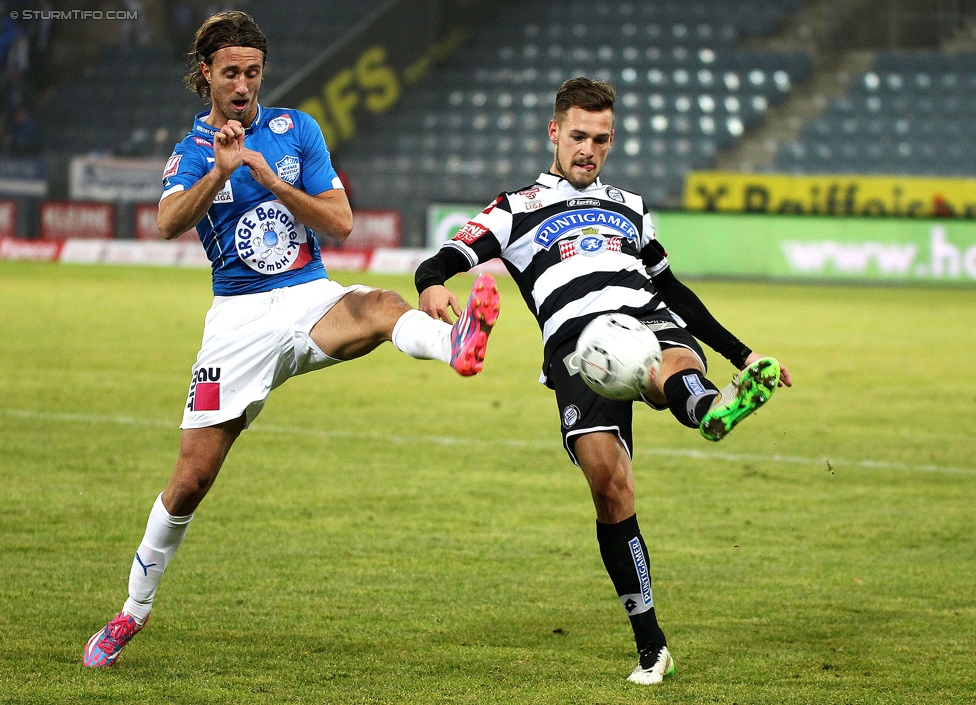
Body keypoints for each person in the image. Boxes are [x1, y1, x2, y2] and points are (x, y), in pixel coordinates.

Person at [83, 11, 500, 669]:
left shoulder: (296, 130)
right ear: (207, 76)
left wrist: (273, 180)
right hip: (237, 320)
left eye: (252, 71)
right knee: (191, 479)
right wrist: (220, 173)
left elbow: (339, 220)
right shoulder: (191, 150)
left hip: (309, 295)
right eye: (230, 73)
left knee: (382, 304)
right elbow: (166, 221)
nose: (244, 83)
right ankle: (130, 612)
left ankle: (458, 345)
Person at [415, 77, 792, 685]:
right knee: (610, 487)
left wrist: (741, 353)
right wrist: (431, 284)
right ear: (554, 133)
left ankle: (707, 405)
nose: (588, 149)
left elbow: (671, 290)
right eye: (578, 136)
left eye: (601, 139)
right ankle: (652, 645)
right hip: (576, 349)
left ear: (612, 142)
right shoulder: (514, 208)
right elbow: (444, 260)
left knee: (663, 359)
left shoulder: (631, 206)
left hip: (645, 317)